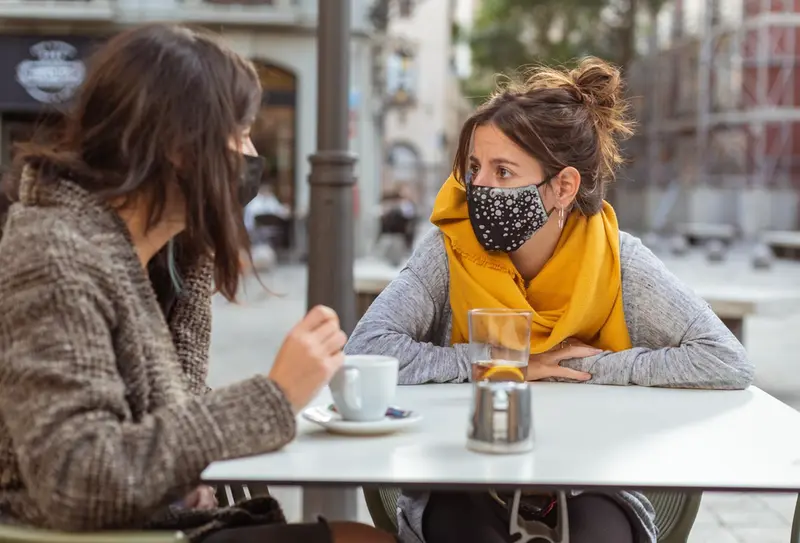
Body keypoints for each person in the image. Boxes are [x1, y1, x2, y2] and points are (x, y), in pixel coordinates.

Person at [0, 24, 394, 543]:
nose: (251, 154)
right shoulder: (54, 252)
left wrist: (192, 245)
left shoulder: (154, 250)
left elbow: (170, 412)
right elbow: (78, 476)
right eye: (240, 134)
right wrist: (273, 397)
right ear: (179, 147)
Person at [345, 57, 754, 543]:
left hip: (595, 477)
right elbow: (365, 350)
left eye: (503, 172)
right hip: (460, 470)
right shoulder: (450, 247)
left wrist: (588, 369)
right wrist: (508, 360)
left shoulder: (618, 260)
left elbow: (726, 361)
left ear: (562, 186)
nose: (479, 188)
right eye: (475, 168)